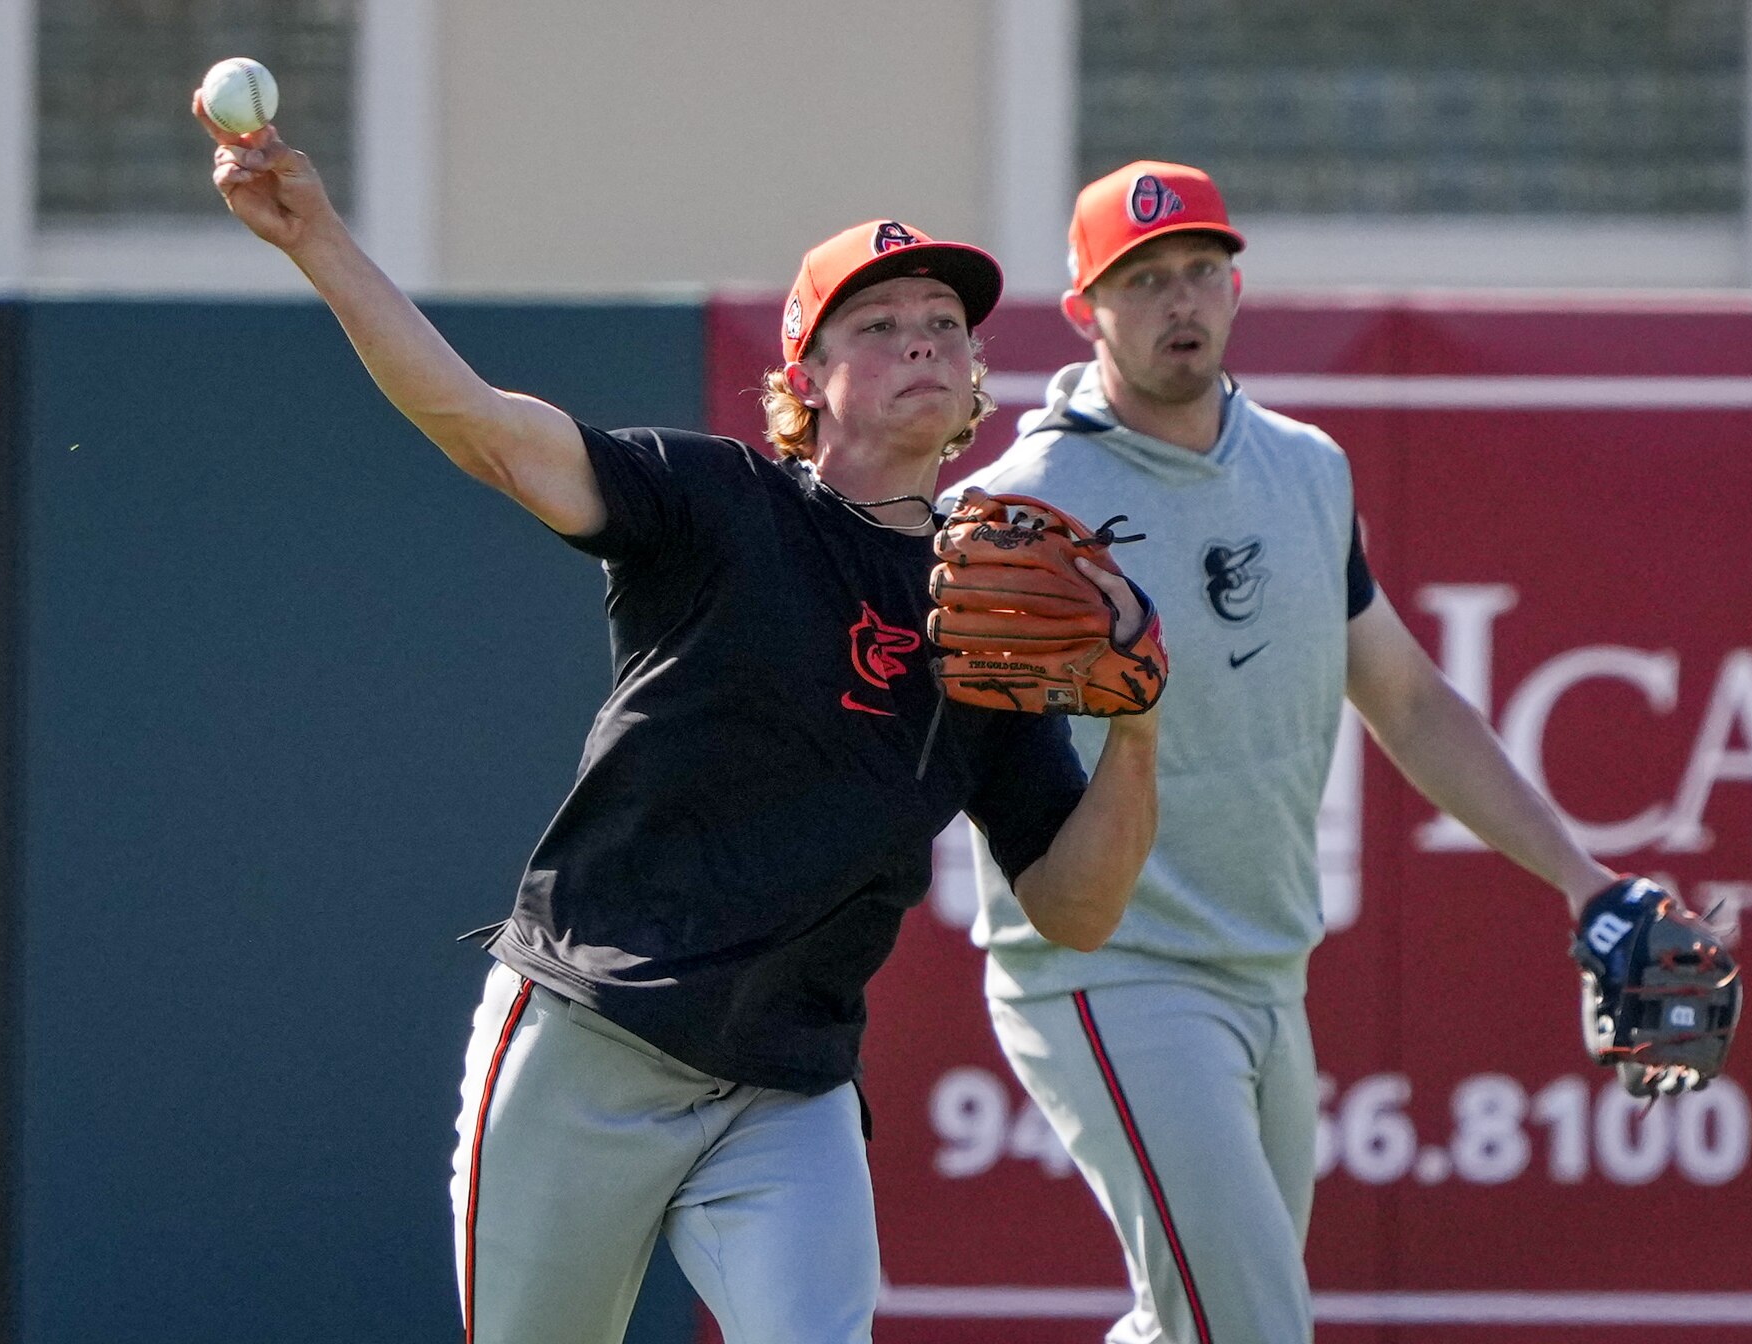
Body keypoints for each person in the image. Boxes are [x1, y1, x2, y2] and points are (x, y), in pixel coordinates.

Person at [196, 101, 1161, 1344]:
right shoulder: (721, 502)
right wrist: (318, 237)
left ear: (978, 376)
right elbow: (486, 431)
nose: (924, 341)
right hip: (591, 1041)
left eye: (946, 327)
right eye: (880, 325)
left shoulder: (991, 618)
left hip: (786, 1089)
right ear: (806, 380)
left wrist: (1139, 732)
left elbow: (1078, 908)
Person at [947, 161, 1626, 1344]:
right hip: (1109, 975)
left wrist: (1587, 879)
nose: (1181, 301)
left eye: (1201, 270)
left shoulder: (1307, 470)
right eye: (1145, 279)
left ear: (1236, 283)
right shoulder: (1020, 505)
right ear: (1083, 311)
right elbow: (949, 759)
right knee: (1253, 1329)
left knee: (1192, 1323)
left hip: (1267, 972)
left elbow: (1408, 702)